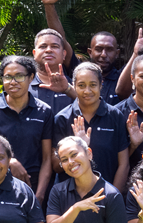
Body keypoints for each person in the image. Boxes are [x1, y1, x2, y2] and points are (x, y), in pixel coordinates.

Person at [0, 56, 57, 197]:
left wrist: (40, 195)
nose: (13, 82)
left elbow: (47, 158)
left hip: (34, 185)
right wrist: (10, 160)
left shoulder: (44, 111)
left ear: (31, 77)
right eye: (8, 77)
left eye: (19, 76)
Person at [52, 62, 130, 192]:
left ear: (101, 85)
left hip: (108, 193)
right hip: (71, 196)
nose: (87, 91)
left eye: (93, 85)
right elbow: (56, 166)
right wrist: (78, 147)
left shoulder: (115, 116)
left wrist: (112, 196)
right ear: (74, 86)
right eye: (81, 85)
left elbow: (124, 164)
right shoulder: (62, 118)